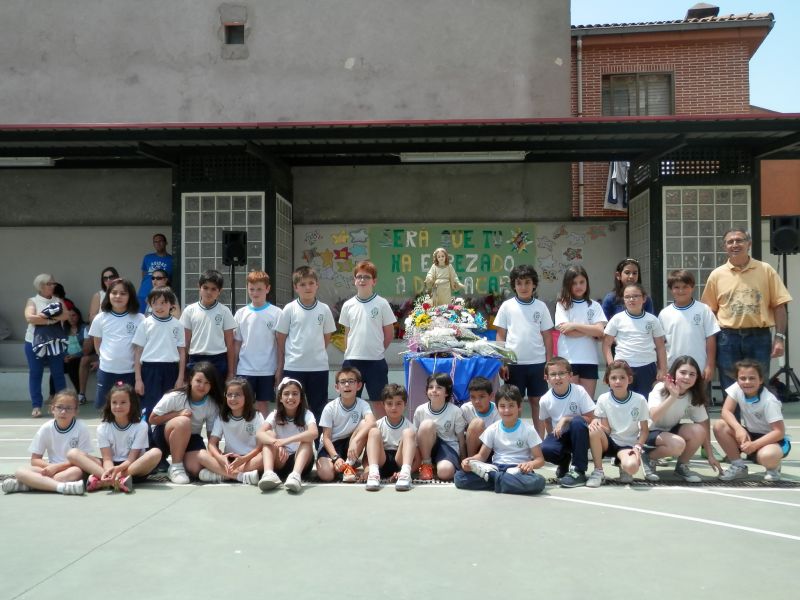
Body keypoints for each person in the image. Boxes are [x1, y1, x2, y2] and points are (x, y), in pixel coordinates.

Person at [701, 227, 792, 395]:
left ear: (749, 244)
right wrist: (708, 345)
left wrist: (780, 338)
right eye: (730, 242)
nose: (735, 244)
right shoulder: (717, 275)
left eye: (739, 240)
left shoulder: (766, 270)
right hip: (727, 338)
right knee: (730, 389)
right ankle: (732, 414)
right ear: (724, 247)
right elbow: (709, 312)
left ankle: (756, 414)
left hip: (759, 337)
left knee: (758, 387)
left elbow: (779, 306)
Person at [67, 383, 162, 493]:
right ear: (109, 404)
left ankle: (108, 480)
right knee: (73, 453)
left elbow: (131, 459)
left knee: (156, 453)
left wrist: (118, 470)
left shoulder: (141, 426)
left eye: (123, 402)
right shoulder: (103, 427)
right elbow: (107, 459)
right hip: (110, 466)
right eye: (114, 402)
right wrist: (109, 471)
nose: (118, 406)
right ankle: (114, 480)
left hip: (133, 468)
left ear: (132, 403)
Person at [494, 264, 554, 437]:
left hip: (538, 363)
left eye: (527, 282)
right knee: (513, 403)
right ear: (514, 285)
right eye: (519, 283)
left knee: (538, 402)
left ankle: (539, 442)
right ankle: (516, 440)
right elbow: (500, 335)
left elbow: (547, 336)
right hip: (514, 364)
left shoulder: (541, 307)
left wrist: (549, 363)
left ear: (534, 284)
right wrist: (502, 362)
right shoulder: (507, 306)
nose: (523, 287)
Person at [455, 384, 546, 496]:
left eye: (511, 405)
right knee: (459, 478)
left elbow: (539, 459)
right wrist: (470, 461)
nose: (506, 410)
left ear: (519, 407)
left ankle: (493, 480)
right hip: (497, 467)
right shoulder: (493, 429)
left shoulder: (528, 429)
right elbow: (482, 456)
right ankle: (503, 481)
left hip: (519, 470)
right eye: (502, 406)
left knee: (538, 482)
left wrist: (530, 464)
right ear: (497, 408)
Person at [275, 265, 337, 422]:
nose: (307, 287)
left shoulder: (324, 309)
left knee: (318, 406)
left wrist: (315, 353)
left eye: (311, 283)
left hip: (318, 367)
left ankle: (318, 436)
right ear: (296, 287)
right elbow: (281, 337)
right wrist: (290, 355)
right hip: (294, 366)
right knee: (292, 405)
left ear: (317, 285)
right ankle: (294, 436)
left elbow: (327, 337)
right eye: (302, 284)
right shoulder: (289, 309)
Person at [645, 356, 721, 483]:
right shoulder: (660, 388)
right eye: (683, 372)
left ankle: (681, 466)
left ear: (697, 378)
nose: (687, 377)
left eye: (692, 374)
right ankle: (647, 457)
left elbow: (702, 423)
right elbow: (654, 416)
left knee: (699, 431)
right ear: (674, 373)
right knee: (678, 444)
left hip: (669, 431)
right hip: (648, 432)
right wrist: (673, 396)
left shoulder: (693, 394)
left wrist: (710, 455)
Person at [713, 360, 791, 482]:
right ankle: (738, 466)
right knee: (719, 426)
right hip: (751, 434)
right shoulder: (737, 388)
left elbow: (779, 432)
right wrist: (739, 429)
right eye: (743, 378)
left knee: (767, 456)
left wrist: (754, 445)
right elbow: (726, 411)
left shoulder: (769, 401)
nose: (747, 382)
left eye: (752, 378)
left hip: (772, 440)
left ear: (761, 380)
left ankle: (773, 467)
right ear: (737, 380)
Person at [2, 390, 90, 495]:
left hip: (70, 468)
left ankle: (28, 485)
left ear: (76, 411)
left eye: (68, 408)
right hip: (49, 468)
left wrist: (57, 467)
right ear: (52, 409)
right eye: (59, 407)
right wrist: (49, 467)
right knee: (20, 471)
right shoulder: (46, 428)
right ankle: (62, 487)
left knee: (75, 472)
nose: (63, 412)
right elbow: (35, 459)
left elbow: (83, 460)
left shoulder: (81, 428)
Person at [149, 362, 223, 484]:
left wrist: (214, 455)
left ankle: (181, 462)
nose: (202, 386)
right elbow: (152, 419)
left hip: (191, 438)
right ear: (190, 379)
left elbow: (211, 435)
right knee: (183, 421)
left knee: (196, 469)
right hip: (164, 437)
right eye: (198, 381)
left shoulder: (211, 405)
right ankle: (176, 466)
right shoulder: (175, 396)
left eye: (207, 383)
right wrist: (178, 414)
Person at [339, 260, 397, 416]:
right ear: (354, 280)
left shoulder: (382, 304)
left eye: (366, 277)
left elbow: (389, 333)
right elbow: (347, 333)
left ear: (374, 281)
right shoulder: (348, 305)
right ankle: (350, 431)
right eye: (359, 277)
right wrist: (349, 352)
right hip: (352, 361)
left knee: (379, 402)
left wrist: (377, 350)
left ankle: (380, 431)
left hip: (375, 362)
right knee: (349, 401)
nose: (362, 280)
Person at [586, 360, 650, 487]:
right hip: (609, 443)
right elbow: (607, 430)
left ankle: (621, 462)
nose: (618, 381)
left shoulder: (640, 400)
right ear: (607, 381)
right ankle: (598, 471)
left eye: (622, 377)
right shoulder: (603, 399)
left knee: (631, 467)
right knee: (593, 430)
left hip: (627, 446)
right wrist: (596, 422)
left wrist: (638, 447)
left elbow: (644, 430)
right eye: (613, 378)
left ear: (629, 379)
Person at [87, 278, 144, 409]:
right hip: (106, 371)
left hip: (130, 372)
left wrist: (138, 378)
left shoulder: (140, 319)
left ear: (130, 296)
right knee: (106, 408)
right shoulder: (100, 318)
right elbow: (97, 342)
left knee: (130, 409)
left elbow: (140, 348)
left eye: (123, 293)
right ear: (108, 295)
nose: (118, 296)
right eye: (114, 292)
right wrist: (105, 359)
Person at [602, 282, 667, 397]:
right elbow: (606, 344)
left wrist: (662, 369)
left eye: (635, 296)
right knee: (622, 400)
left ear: (644, 298)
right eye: (627, 297)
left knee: (646, 401)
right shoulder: (617, 319)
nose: (631, 299)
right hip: (623, 367)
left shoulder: (652, 320)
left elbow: (660, 346)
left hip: (647, 367)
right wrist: (612, 366)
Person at [539, 357, 594, 488]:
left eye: (562, 373)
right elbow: (547, 422)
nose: (557, 378)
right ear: (546, 378)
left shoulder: (579, 391)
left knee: (577, 422)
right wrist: (552, 439)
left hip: (581, 436)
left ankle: (579, 470)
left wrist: (566, 419)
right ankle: (564, 461)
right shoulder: (545, 400)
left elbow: (591, 418)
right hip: (561, 436)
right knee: (545, 449)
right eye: (553, 374)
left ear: (570, 375)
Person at [196, 378, 264, 485]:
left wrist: (243, 459)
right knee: (201, 455)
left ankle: (223, 474)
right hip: (229, 460)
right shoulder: (222, 417)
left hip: (249, 459)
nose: (233, 398)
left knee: (266, 455)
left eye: (237, 395)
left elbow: (260, 446)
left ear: (246, 396)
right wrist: (220, 458)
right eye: (229, 395)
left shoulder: (257, 416)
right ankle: (239, 476)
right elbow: (212, 444)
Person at [233, 271, 282, 417]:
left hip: (267, 369)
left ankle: (263, 431)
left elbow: (280, 344)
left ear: (267, 289)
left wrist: (279, 368)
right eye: (252, 289)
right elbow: (236, 343)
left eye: (259, 289)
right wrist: (233, 368)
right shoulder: (241, 313)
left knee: (262, 404)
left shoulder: (277, 313)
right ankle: (245, 431)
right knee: (243, 403)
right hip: (245, 369)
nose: (255, 293)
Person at [257, 377, 318, 493]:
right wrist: (276, 443)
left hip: (301, 462)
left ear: (301, 398)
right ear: (280, 398)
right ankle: (268, 473)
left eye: (295, 394)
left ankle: (295, 476)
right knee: (269, 434)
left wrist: (285, 441)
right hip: (281, 460)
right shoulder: (275, 415)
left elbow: (314, 433)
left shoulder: (307, 414)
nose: (290, 397)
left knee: (306, 440)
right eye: (286, 394)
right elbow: (260, 433)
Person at [133, 286, 186, 421]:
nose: (159, 307)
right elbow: (138, 352)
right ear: (150, 304)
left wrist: (180, 378)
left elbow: (182, 352)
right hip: (149, 371)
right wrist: (138, 379)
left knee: (169, 406)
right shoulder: (145, 324)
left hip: (171, 370)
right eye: (155, 303)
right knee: (150, 407)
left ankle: (166, 434)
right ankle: (149, 434)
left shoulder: (177, 325)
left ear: (171, 304)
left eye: (163, 302)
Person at [658, 270, 720, 384]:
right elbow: (660, 344)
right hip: (673, 369)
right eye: (676, 287)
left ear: (692, 287)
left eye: (685, 287)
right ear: (670, 289)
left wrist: (710, 365)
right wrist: (662, 368)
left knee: (700, 395)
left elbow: (711, 338)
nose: (681, 291)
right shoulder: (664, 314)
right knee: (675, 395)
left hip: (699, 369)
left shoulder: (704, 310)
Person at [316, 367, 376, 483]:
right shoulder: (330, 408)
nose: (347, 385)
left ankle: (348, 466)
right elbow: (326, 438)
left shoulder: (363, 404)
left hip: (351, 443)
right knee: (327, 475)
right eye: (343, 382)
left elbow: (372, 422)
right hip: (331, 446)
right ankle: (341, 464)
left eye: (351, 381)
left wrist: (355, 441)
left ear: (359, 386)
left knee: (365, 423)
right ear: (337, 387)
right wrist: (335, 458)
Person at [555, 265, 606, 398]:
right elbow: (567, 331)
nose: (578, 286)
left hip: (590, 359)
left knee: (587, 402)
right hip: (568, 359)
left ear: (587, 283)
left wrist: (574, 325)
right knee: (570, 401)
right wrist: (591, 330)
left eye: (582, 282)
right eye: (574, 283)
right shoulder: (562, 304)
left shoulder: (595, 305)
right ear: (568, 284)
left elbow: (600, 331)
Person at [24, 273, 69, 418]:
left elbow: (65, 315)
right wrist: (51, 320)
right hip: (33, 342)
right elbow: (30, 318)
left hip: (55, 342)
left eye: (53, 283)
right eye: (50, 283)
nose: (53, 285)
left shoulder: (58, 300)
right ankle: (36, 406)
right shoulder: (32, 301)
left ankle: (62, 406)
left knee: (58, 373)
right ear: (41, 286)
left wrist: (44, 317)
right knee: (35, 373)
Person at [180, 269, 237, 382]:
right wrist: (182, 373)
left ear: (219, 291)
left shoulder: (224, 311)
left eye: (213, 289)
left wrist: (231, 372)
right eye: (205, 288)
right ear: (199, 287)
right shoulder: (189, 311)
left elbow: (230, 344)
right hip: (195, 359)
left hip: (218, 359)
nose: (209, 292)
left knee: (218, 392)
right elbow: (185, 343)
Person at [364, 383, 418, 492]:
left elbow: (417, 458)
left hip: (400, 462)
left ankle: (405, 474)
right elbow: (366, 457)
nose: (394, 407)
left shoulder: (410, 426)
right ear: (383, 404)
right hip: (381, 462)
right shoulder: (378, 424)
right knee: (374, 432)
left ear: (405, 404)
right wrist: (367, 469)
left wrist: (408, 471)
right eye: (389, 403)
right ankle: (373, 474)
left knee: (408, 432)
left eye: (398, 403)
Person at [413, 372, 467, 482]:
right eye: (431, 387)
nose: (434, 390)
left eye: (439, 387)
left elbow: (461, 440)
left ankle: (439, 467)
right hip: (426, 449)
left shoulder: (455, 411)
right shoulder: (420, 410)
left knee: (445, 473)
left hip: (447, 447)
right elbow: (415, 439)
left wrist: (463, 461)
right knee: (427, 424)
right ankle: (427, 465)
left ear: (446, 392)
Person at [49, 305, 88, 400]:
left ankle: (80, 394)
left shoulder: (85, 328)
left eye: (74, 315)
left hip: (80, 357)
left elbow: (87, 349)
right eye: (69, 316)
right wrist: (65, 356)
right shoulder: (64, 329)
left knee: (72, 365)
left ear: (78, 316)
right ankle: (52, 395)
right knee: (56, 367)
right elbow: (60, 346)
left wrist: (74, 356)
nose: (71, 318)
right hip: (67, 357)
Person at [461, 376, 500, 456]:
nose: (477, 401)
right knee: (477, 423)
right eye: (473, 397)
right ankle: (471, 460)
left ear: (491, 396)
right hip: (470, 447)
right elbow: (459, 435)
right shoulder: (465, 409)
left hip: (491, 450)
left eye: (482, 396)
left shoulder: (498, 411)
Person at [137, 233, 173, 308]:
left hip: (161, 295)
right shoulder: (147, 258)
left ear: (166, 243)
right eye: (155, 242)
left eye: (160, 241)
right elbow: (144, 274)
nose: (158, 243)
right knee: (142, 315)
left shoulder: (172, 260)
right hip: (144, 293)